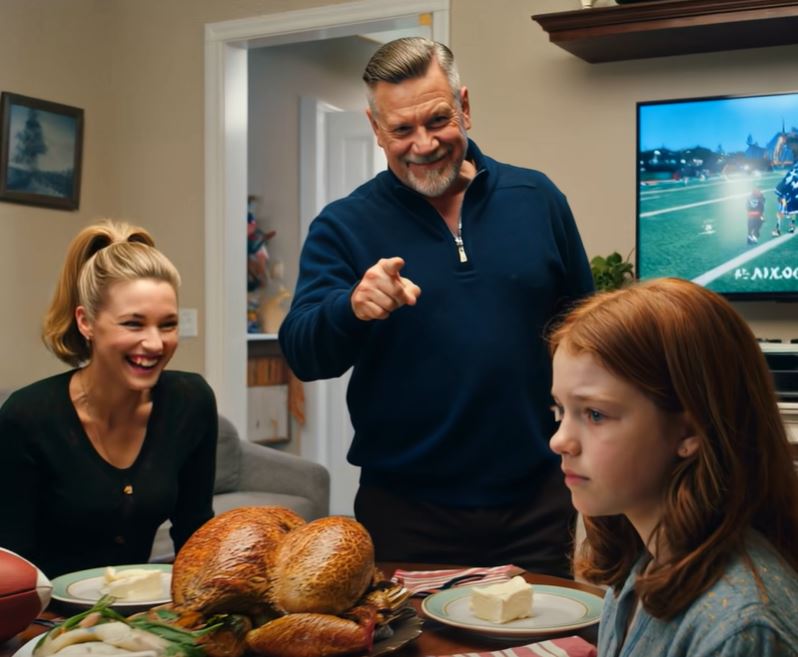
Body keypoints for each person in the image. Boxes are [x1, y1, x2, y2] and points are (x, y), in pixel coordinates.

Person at [278, 37, 594, 576]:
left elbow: (587, 331)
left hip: (537, 502)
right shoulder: (343, 225)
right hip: (407, 512)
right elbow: (303, 352)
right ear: (376, 129)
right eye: (402, 129)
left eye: (438, 120)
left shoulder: (537, 199)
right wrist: (350, 307)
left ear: (464, 106)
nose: (423, 144)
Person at [548, 277, 798, 656]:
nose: (559, 440)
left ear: (689, 431)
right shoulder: (642, 566)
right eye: (560, 410)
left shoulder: (741, 630)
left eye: (595, 414)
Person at [0, 220, 217, 578]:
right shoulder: (26, 418)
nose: (155, 343)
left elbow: (196, 538)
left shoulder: (191, 402)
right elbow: (10, 567)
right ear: (86, 322)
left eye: (168, 324)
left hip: (143, 606)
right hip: (44, 609)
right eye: (133, 324)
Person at [772, 162, 798, 237]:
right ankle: (790, 227)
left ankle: (778, 229)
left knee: (784, 210)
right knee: (792, 210)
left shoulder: (794, 167)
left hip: (786, 191)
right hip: (792, 192)